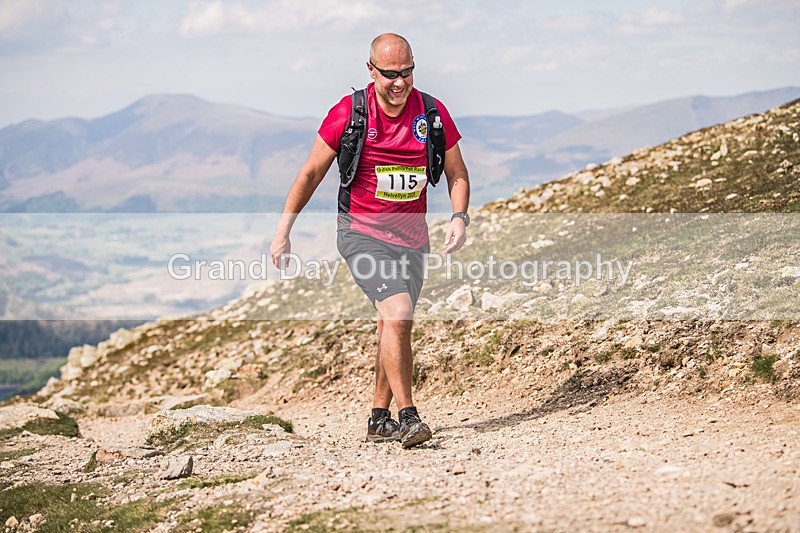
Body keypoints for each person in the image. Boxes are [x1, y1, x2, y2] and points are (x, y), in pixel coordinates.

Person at [270, 33, 470, 448]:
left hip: (413, 240)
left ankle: (379, 418)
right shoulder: (349, 113)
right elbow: (309, 174)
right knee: (397, 313)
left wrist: (458, 216)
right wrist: (283, 232)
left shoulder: (432, 112)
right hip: (361, 234)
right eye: (390, 75)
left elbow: (457, 171)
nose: (400, 83)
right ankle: (409, 417)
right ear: (370, 70)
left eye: (407, 73)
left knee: (392, 324)